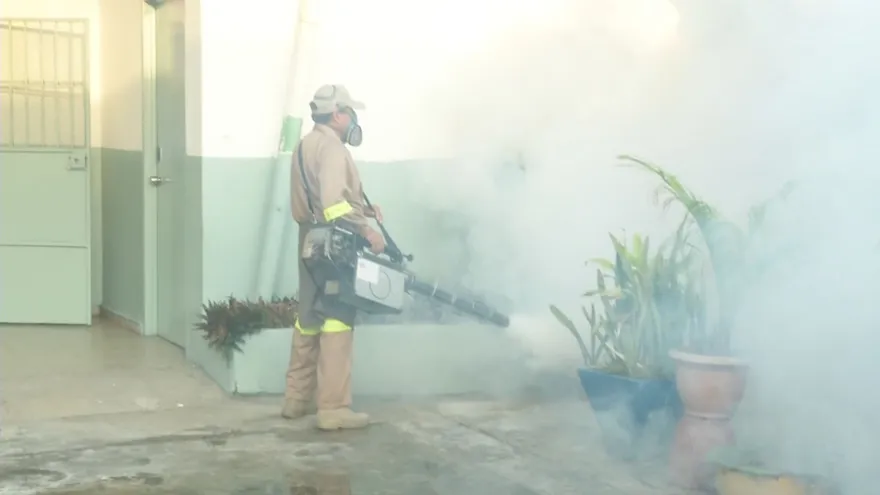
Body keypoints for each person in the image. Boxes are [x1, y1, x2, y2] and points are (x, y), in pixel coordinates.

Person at [282, 84, 386, 430]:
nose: (354, 119)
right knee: (338, 316)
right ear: (339, 114)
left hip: (309, 239)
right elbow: (333, 203)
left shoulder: (306, 144)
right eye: (351, 113)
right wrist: (366, 230)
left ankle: (296, 400)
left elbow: (319, 200)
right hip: (336, 243)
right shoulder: (333, 149)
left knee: (308, 315)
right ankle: (334, 409)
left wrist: (364, 209)